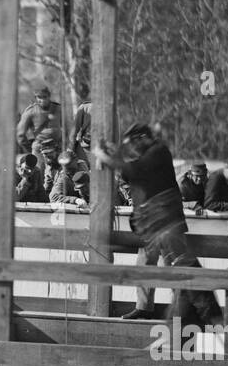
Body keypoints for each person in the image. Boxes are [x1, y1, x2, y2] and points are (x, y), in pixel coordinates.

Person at [93, 122, 221, 326]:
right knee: (148, 265)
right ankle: (146, 309)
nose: (131, 148)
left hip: (166, 225)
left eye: (132, 143)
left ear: (142, 138)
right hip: (153, 226)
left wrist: (104, 155)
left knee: (178, 269)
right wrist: (111, 157)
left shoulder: (159, 152)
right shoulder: (147, 158)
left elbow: (132, 170)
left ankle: (196, 318)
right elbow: (128, 172)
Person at [15, 85, 63, 194]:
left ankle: (56, 197)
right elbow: (20, 134)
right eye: (39, 97)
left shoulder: (58, 109)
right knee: (38, 175)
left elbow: (69, 128)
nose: (42, 100)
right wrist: (29, 151)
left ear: (49, 97)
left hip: (57, 148)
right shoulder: (31, 111)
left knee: (61, 174)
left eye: (44, 97)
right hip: (39, 149)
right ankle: (40, 200)